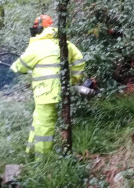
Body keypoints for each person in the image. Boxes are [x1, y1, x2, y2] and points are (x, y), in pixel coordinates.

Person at [11, 14, 85, 154]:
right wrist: (73, 81)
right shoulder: (64, 43)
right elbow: (79, 61)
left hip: (44, 93)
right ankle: (30, 151)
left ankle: (41, 160)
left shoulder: (36, 46)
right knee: (37, 119)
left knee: (44, 124)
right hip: (61, 89)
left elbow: (20, 67)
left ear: (38, 29)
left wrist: (14, 67)